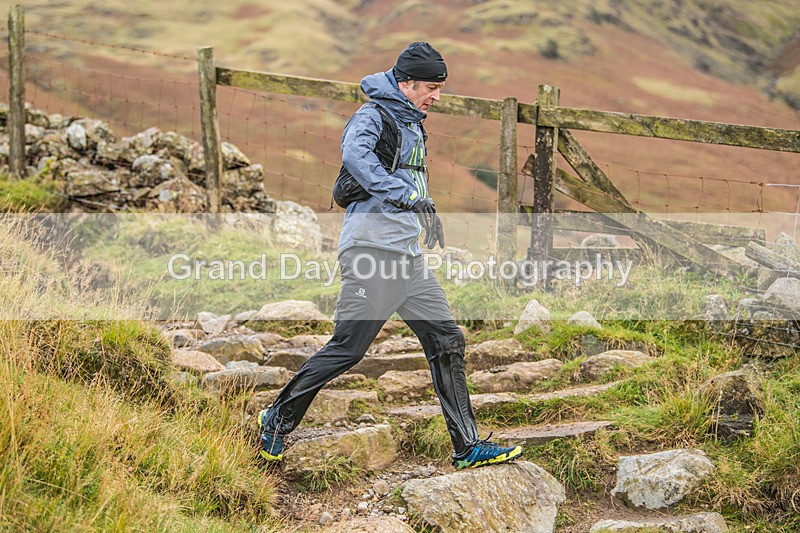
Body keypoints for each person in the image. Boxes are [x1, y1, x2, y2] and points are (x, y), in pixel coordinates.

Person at [258, 42, 523, 470]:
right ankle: (276, 418)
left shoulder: (411, 121)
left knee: (446, 339)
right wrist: (408, 197)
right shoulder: (373, 116)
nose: (437, 96)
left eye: (441, 88)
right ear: (405, 83)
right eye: (431, 88)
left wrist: (425, 206)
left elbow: (404, 175)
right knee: (349, 348)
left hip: (406, 255)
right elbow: (357, 160)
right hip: (371, 250)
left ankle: (467, 446)